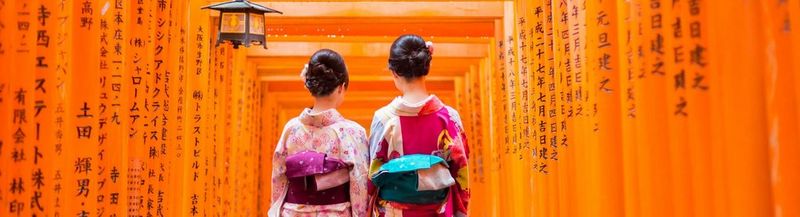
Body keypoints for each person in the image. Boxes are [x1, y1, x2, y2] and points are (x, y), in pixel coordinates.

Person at [367, 34, 470, 217]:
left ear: (394, 72)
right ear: (427, 67)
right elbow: (461, 174)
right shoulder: (449, 118)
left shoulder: (383, 119)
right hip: (438, 211)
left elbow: (373, 176)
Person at [270, 49, 369, 217]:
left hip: (293, 212)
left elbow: (278, 177)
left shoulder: (291, 129)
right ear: (341, 87)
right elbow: (359, 182)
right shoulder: (353, 132)